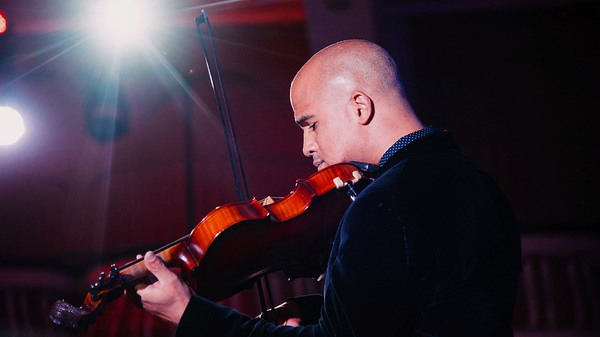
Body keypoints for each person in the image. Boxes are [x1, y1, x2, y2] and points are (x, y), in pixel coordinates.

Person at [133, 39, 522, 336]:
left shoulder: (385, 203)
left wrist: (190, 314)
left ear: (359, 107)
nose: (307, 147)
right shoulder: (475, 180)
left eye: (311, 124)